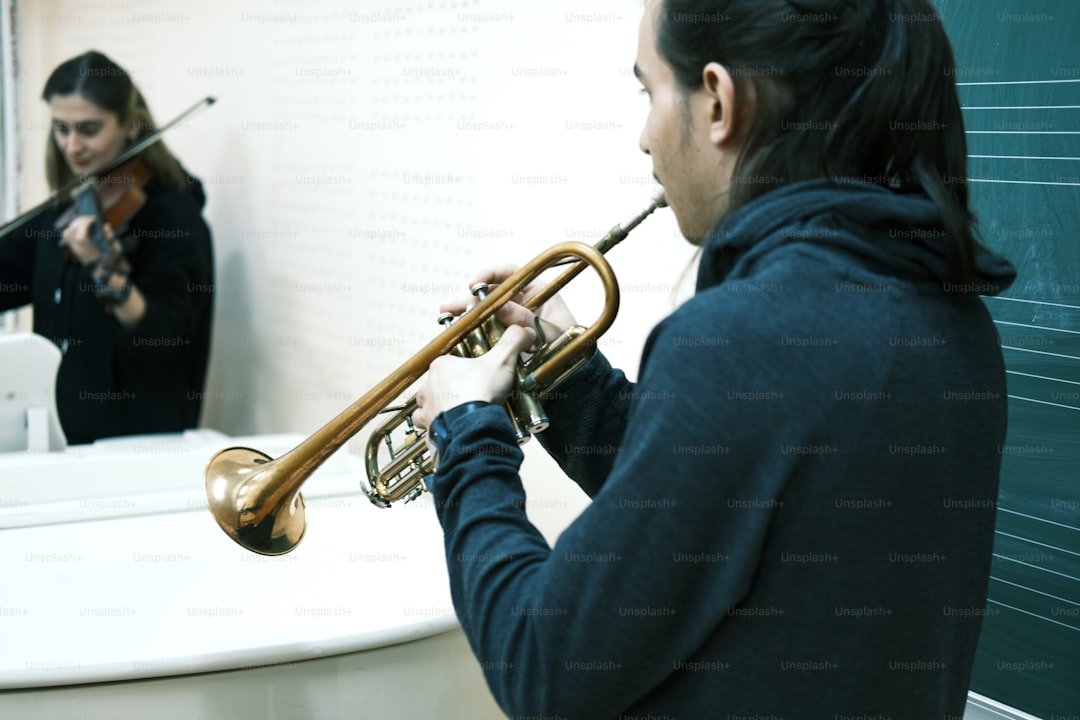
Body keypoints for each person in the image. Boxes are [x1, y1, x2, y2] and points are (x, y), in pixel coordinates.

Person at [410, 1, 1017, 718]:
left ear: (720, 101)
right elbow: (712, 518)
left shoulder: (740, 335)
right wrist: (572, 379)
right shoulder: (952, 317)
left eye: (651, 91)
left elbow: (543, 665)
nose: (644, 140)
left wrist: (468, 436)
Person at [0, 51, 214, 445]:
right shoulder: (67, 208)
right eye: (61, 128)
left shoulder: (174, 217)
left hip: (133, 444)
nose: (71, 144)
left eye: (88, 129)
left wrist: (104, 269)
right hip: (62, 436)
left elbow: (163, 335)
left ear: (131, 125)